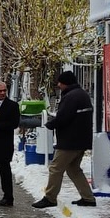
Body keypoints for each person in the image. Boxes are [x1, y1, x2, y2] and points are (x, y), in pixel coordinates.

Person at [33, 70, 97, 209]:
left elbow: (63, 117)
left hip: (70, 141)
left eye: (60, 83)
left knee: (55, 168)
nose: (59, 85)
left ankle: (50, 198)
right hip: (81, 139)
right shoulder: (82, 94)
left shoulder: (71, 97)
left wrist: (50, 124)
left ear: (66, 83)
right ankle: (88, 198)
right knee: (73, 169)